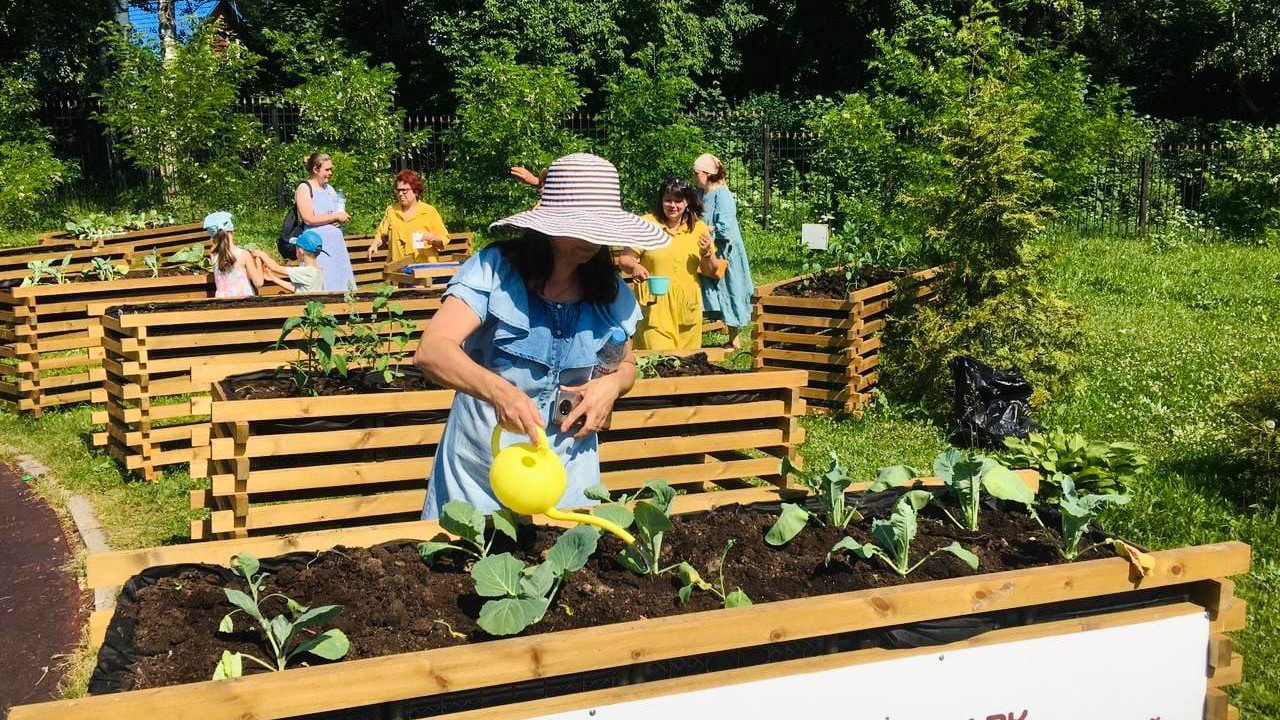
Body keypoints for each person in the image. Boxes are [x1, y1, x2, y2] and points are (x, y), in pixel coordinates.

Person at [414, 153, 669, 519]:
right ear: (547, 223)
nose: (592, 239)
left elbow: (625, 363)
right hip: (483, 468)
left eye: (600, 229)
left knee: (567, 566)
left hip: (568, 469)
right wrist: (499, 390)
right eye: (582, 225)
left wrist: (611, 387)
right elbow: (432, 350)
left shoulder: (609, 289)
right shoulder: (495, 270)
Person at [616, 177, 719, 351]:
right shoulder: (647, 224)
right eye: (668, 200)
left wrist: (707, 253)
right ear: (661, 200)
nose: (673, 205)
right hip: (655, 305)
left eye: (678, 201)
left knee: (688, 365)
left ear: (687, 202)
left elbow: (711, 270)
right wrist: (635, 266)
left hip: (688, 306)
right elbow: (625, 259)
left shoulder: (698, 228)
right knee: (659, 361)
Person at [693, 153, 755, 350]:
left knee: (730, 288)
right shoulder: (700, 194)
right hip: (705, 248)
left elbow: (725, 225)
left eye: (697, 173)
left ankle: (735, 337)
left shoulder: (722, 194)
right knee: (708, 290)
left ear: (708, 173)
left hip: (725, 250)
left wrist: (707, 229)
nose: (695, 176)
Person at [295, 151, 355, 291]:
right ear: (316, 170)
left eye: (331, 169)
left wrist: (339, 219)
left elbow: (334, 214)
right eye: (327, 169)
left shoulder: (330, 189)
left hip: (335, 247)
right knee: (323, 283)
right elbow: (308, 218)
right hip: (318, 248)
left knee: (340, 283)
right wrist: (334, 217)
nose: (330, 173)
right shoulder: (304, 188)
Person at [367, 170, 452, 263]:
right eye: (398, 190)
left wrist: (433, 238)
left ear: (416, 191)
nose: (400, 194)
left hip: (423, 269)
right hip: (397, 268)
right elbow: (382, 234)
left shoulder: (429, 211)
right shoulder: (391, 210)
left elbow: (444, 238)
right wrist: (374, 244)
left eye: (404, 190)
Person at [203, 211, 265, 299]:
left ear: (213, 236)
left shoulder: (213, 256)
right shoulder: (243, 254)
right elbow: (259, 283)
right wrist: (258, 260)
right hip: (244, 303)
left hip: (222, 304)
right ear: (232, 230)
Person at [252, 230, 326, 294]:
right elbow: (297, 289)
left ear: (301, 251)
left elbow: (275, 268)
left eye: (296, 247)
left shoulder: (305, 272)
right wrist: (273, 278)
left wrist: (262, 254)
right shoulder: (318, 271)